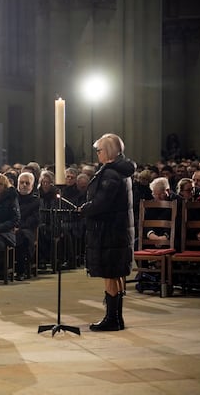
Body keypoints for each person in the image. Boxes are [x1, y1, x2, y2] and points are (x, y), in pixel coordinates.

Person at [79, 133, 135, 332]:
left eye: (99, 150)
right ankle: (116, 318)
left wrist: (85, 209)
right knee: (117, 274)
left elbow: (103, 203)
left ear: (109, 151)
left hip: (109, 231)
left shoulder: (111, 173)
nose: (97, 154)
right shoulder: (121, 171)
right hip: (118, 230)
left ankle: (112, 319)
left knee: (110, 274)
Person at [15, 172, 40, 280]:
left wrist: (19, 227)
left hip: (28, 230)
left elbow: (35, 220)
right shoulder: (13, 198)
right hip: (11, 228)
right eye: (21, 182)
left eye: (27, 183)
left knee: (22, 237)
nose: (24, 185)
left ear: (32, 185)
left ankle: (21, 271)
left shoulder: (36, 201)